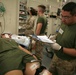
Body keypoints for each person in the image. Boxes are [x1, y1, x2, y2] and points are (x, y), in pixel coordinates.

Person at [49, 2, 76, 75]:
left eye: (66, 17)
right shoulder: (64, 24)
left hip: (67, 63)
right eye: (62, 16)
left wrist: (60, 48)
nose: (63, 20)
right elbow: (61, 33)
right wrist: (55, 37)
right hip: (56, 57)